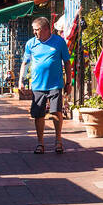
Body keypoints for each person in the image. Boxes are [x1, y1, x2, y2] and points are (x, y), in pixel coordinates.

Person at [21, 16, 72, 154]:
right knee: (39, 115)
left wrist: (69, 82)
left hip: (55, 84)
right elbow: (25, 63)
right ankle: (40, 143)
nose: (35, 33)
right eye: (34, 30)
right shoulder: (31, 43)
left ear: (46, 29)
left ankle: (58, 140)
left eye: (37, 30)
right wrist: (22, 80)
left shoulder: (59, 42)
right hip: (37, 85)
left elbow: (67, 62)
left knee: (56, 112)